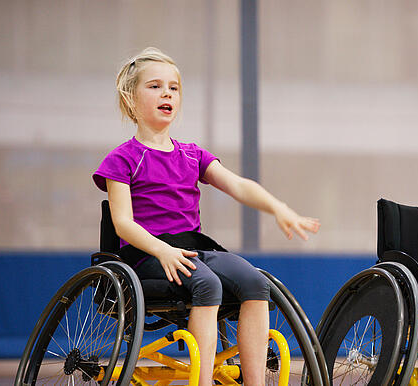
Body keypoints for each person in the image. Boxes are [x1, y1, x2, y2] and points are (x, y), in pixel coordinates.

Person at [93, 47, 320, 386]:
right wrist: (162, 251)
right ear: (130, 97)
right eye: (154, 86)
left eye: (174, 87)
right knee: (206, 283)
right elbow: (122, 222)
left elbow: (238, 185)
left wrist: (278, 208)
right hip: (147, 254)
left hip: (194, 248)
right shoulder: (123, 159)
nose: (167, 92)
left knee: (258, 282)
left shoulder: (191, 154)